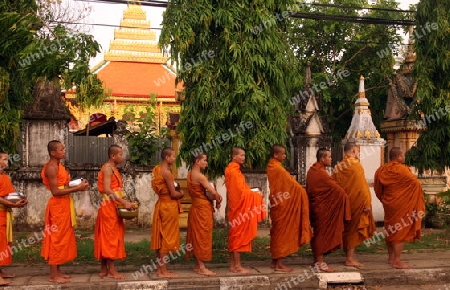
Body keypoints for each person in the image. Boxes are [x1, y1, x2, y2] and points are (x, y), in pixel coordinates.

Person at [41, 140, 89, 283]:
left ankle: (58, 271)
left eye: (63, 149)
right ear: (52, 153)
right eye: (61, 149)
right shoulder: (51, 168)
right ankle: (53, 274)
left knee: (63, 237)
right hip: (57, 206)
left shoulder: (59, 166)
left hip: (65, 205)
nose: (64, 151)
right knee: (56, 238)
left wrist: (80, 183)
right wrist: (77, 189)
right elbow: (56, 191)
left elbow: (64, 183)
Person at [374, 147, 425, 269]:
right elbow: (416, 184)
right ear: (399, 157)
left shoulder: (381, 170)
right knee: (399, 231)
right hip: (401, 205)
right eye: (403, 155)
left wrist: (384, 199)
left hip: (389, 205)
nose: (404, 158)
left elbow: (377, 188)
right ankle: (397, 260)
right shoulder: (403, 170)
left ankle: (391, 258)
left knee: (391, 229)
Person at [266, 144, 312, 272]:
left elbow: (288, 185)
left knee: (278, 232)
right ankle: (279, 264)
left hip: (278, 203)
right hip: (281, 205)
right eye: (283, 153)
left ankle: (274, 261)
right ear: (276, 155)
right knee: (281, 233)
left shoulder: (273, 166)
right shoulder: (277, 169)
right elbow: (292, 186)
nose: (285, 156)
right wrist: (302, 193)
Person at [306, 148, 351, 273]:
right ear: (322, 159)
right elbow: (337, 190)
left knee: (319, 233)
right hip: (321, 208)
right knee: (321, 234)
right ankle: (320, 262)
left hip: (318, 206)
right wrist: (345, 198)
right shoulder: (319, 173)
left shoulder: (313, 170)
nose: (331, 159)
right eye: (329, 157)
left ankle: (317, 261)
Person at [94, 145, 136, 279]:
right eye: (120, 155)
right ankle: (111, 270)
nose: (122, 157)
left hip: (113, 206)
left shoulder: (113, 169)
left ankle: (104, 267)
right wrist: (124, 202)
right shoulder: (107, 168)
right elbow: (107, 189)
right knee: (109, 237)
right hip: (108, 207)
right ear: (113, 156)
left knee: (108, 236)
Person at [332, 142, 376, 268]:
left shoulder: (338, 167)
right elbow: (362, 188)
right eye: (357, 151)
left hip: (344, 203)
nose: (359, 153)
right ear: (353, 151)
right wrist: (367, 204)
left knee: (347, 228)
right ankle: (349, 258)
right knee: (353, 230)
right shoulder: (356, 166)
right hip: (357, 203)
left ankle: (348, 256)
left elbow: (334, 185)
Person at [225, 147, 266, 274]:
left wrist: (253, 191)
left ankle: (233, 265)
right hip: (238, 209)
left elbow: (244, 188)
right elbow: (240, 193)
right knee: (237, 237)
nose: (243, 158)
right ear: (234, 156)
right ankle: (237, 266)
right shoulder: (232, 172)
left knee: (235, 236)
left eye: (244, 155)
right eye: (241, 155)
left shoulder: (236, 171)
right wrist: (257, 195)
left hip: (238, 208)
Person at [186, 153, 222, 276]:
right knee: (202, 237)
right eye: (205, 160)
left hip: (196, 207)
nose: (206, 163)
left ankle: (197, 265)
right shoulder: (200, 176)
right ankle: (201, 267)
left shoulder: (190, 174)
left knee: (197, 236)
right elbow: (213, 192)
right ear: (197, 161)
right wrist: (218, 198)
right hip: (202, 209)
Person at [150, 147, 184, 278]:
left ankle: (160, 268)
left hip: (161, 205)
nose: (174, 159)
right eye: (173, 156)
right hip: (169, 206)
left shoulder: (156, 169)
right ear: (166, 157)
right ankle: (162, 270)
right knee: (166, 237)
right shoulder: (167, 172)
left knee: (161, 236)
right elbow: (174, 194)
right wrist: (181, 193)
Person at [0, 152, 28, 286]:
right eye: (5, 159)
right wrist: (12, 204)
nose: (7, 162)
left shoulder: (4, 176)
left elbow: (8, 194)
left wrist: (20, 199)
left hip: (5, 213)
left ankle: (0, 272)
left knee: (3, 243)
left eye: (7, 159)